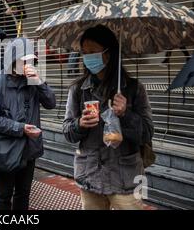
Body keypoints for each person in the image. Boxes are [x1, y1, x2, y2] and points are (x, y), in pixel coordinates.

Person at [63, 25, 154, 210]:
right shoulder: (78, 90)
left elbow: (147, 133)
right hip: (89, 176)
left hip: (127, 179)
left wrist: (126, 115)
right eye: (84, 52)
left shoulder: (134, 88)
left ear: (109, 53)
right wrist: (80, 124)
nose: (88, 57)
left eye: (93, 52)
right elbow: (67, 132)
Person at [0, 38, 56, 210]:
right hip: (5, 150)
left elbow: (51, 103)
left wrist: (39, 82)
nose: (28, 64)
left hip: (28, 149)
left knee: (23, 194)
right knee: (3, 197)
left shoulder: (33, 81)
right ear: (12, 60)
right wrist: (21, 128)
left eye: (31, 60)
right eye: (24, 60)